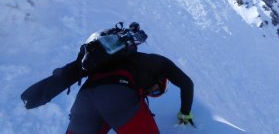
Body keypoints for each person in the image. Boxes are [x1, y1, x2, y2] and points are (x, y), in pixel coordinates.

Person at [65, 51, 194, 134]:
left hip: (84, 98)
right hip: (118, 93)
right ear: (160, 79)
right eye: (156, 90)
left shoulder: (120, 61)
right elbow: (187, 83)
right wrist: (185, 113)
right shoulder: (159, 63)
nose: (150, 92)